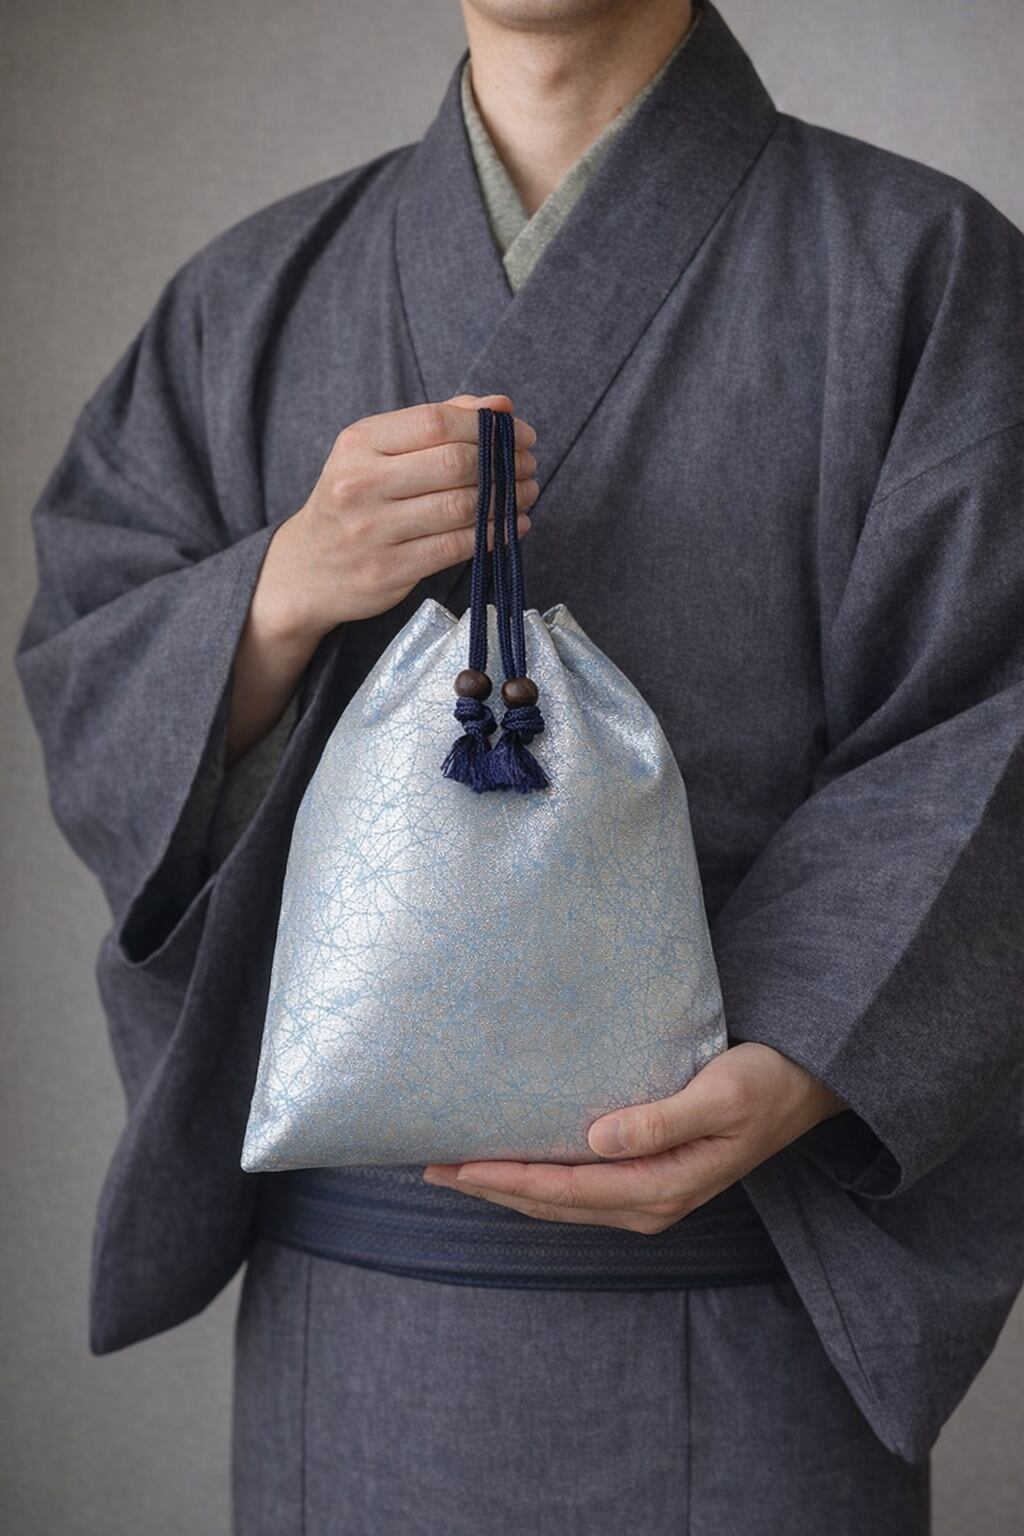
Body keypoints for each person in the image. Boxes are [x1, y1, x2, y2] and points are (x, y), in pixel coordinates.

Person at [14, 1, 1023, 1531]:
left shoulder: (925, 271)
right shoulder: (247, 297)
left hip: (745, 1295)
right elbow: (88, 666)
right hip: (358, 1326)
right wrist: (276, 597)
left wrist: (812, 1052)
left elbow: (995, 722)